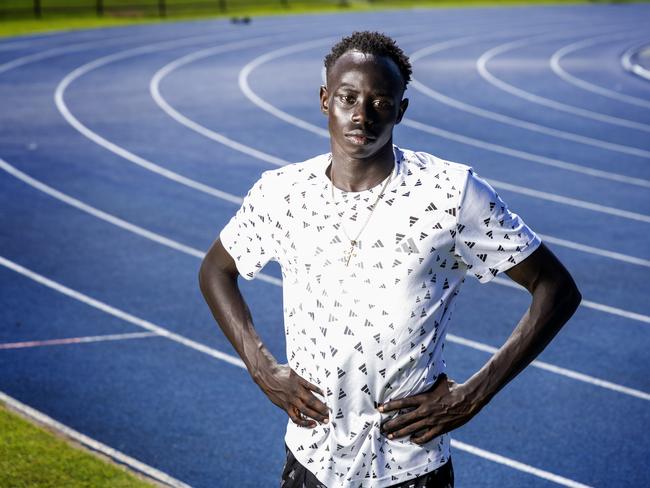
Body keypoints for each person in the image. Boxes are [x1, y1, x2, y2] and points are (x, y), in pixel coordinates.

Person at [198, 31, 581, 488]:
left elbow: (556, 288)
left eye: (380, 101)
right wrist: (262, 367)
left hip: (409, 466)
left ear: (400, 109)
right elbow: (215, 271)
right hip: (310, 458)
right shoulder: (281, 193)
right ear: (325, 100)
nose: (362, 115)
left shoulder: (450, 194)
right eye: (347, 97)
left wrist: (474, 395)